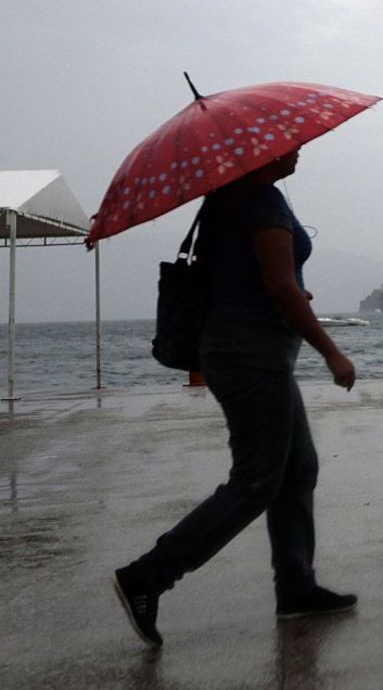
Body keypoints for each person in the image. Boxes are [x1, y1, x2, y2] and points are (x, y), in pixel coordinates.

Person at [111, 148, 358, 648]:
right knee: (255, 483)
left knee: (297, 470)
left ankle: (296, 587)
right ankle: (147, 576)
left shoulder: (225, 199)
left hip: (242, 351)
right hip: (252, 356)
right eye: (288, 144)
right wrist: (332, 353)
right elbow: (279, 287)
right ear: (261, 151)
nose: (298, 149)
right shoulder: (262, 201)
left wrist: (285, 293)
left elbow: (251, 280)